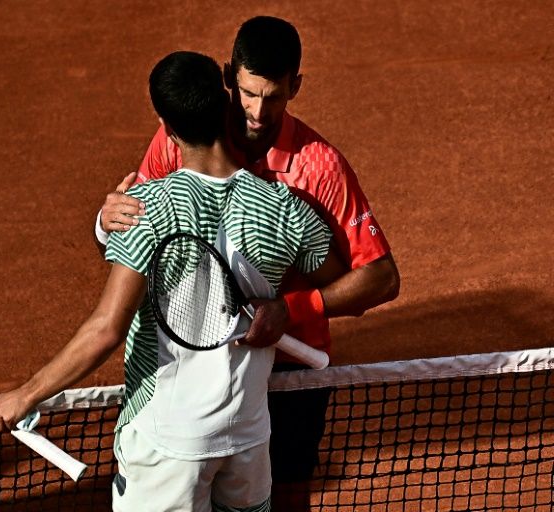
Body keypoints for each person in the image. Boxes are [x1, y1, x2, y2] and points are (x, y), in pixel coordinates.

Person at [0, 51, 345, 511]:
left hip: (167, 444)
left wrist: (25, 395)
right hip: (248, 437)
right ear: (225, 101)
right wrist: (282, 304)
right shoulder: (285, 208)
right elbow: (336, 275)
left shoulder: (144, 209)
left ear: (163, 123)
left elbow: (107, 328)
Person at [95, 16, 400, 510]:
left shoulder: (319, 167)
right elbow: (138, 224)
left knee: (289, 499)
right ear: (227, 74)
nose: (258, 112)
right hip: (199, 375)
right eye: (248, 93)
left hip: (289, 374)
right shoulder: (183, 139)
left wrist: (290, 308)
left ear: (295, 86)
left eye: (275, 96)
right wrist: (106, 219)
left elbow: (381, 279)